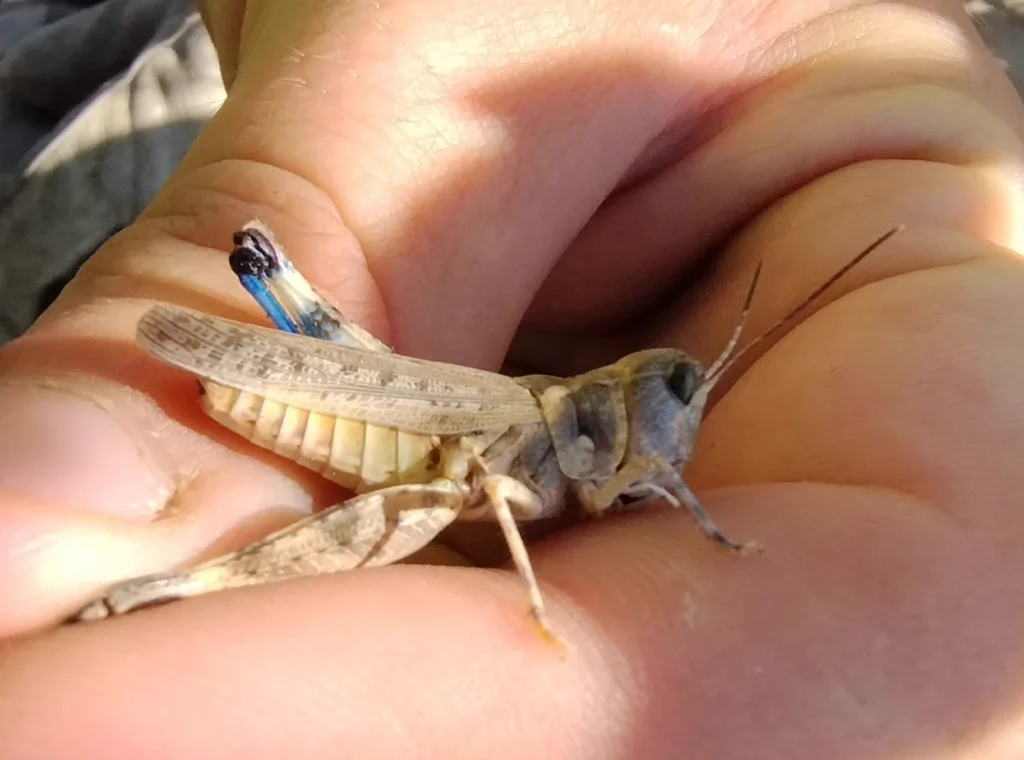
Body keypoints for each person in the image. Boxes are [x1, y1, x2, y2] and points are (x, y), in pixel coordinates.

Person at [3, 0, 1024, 756]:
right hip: (371, 420)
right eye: (669, 404)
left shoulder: (621, 455)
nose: (674, 444)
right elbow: (494, 492)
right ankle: (153, 586)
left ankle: (157, 591)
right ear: (617, 400)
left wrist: (710, 527)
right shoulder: (541, 431)